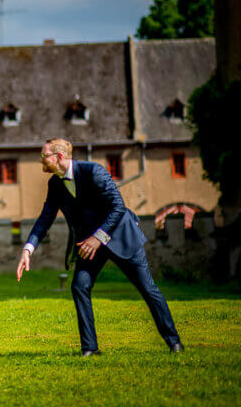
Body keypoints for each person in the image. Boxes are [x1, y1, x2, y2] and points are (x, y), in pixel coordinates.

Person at [16, 139, 184, 356]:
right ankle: (90, 349)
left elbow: (118, 207)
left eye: (44, 155)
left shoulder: (94, 171)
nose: (41, 160)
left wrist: (98, 237)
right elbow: (45, 218)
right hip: (89, 245)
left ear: (58, 157)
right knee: (79, 286)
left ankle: (175, 343)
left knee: (147, 288)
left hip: (120, 236)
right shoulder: (55, 184)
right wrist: (27, 249)